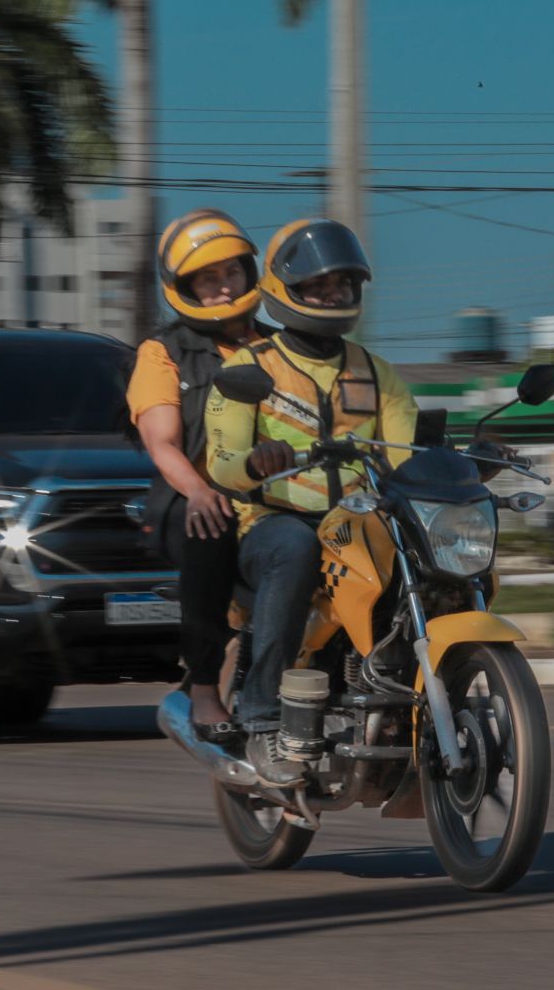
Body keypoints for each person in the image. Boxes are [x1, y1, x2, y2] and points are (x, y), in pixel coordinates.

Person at [205, 218, 419, 783]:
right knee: (295, 547)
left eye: (343, 284)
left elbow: (407, 454)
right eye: (320, 285)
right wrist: (256, 461)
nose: (334, 294)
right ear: (284, 289)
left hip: (358, 524)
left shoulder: (379, 374)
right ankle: (262, 717)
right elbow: (221, 461)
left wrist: (465, 459)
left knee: (427, 555)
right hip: (273, 523)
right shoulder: (246, 369)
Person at [126, 209, 269, 744]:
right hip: (191, 498)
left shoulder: (279, 346)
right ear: (184, 287)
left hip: (276, 497)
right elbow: (162, 442)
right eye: (207, 278)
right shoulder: (163, 353)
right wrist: (199, 488)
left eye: (230, 272)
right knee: (209, 522)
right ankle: (205, 686)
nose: (223, 286)